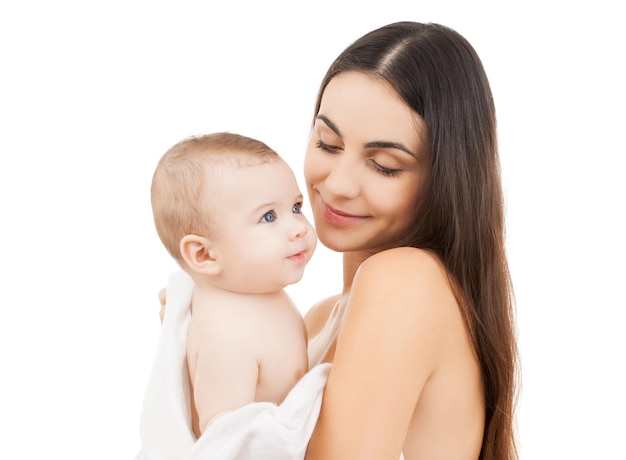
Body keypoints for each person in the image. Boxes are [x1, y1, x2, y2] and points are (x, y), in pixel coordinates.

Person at [158, 20, 518, 460]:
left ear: (444, 180)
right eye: (328, 143)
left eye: (384, 165)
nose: (339, 183)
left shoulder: (407, 282)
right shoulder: (313, 321)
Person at [150, 132, 317, 438]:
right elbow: (227, 440)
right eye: (269, 216)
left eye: (295, 207)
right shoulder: (226, 335)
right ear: (204, 254)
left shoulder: (256, 293)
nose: (298, 228)